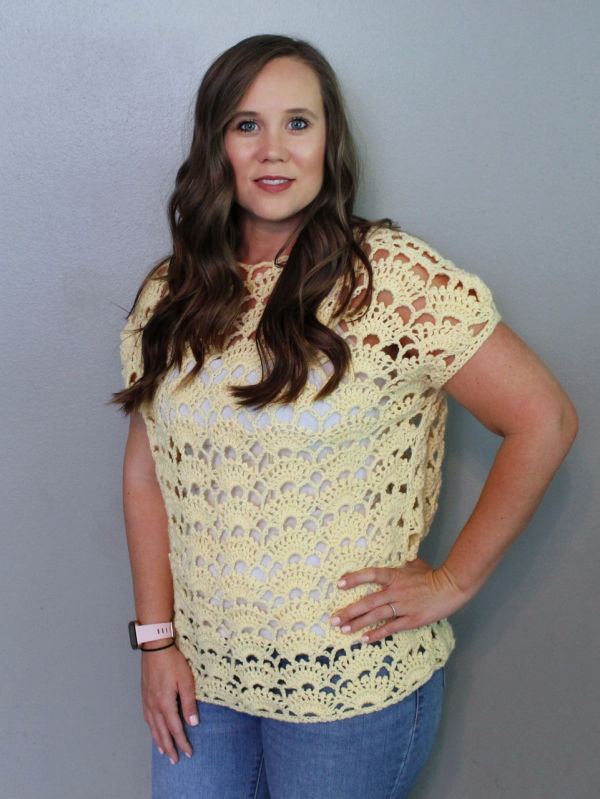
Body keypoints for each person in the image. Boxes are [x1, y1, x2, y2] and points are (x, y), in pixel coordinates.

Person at [114, 34, 578, 799]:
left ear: (331, 142)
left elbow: (545, 418)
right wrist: (155, 641)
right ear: (215, 146)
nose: (273, 149)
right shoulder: (172, 294)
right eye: (244, 123)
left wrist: (454, 579)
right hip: (204, 674)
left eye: (298, 123)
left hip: (350, 685)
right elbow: (146, 472)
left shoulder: (391, 279)